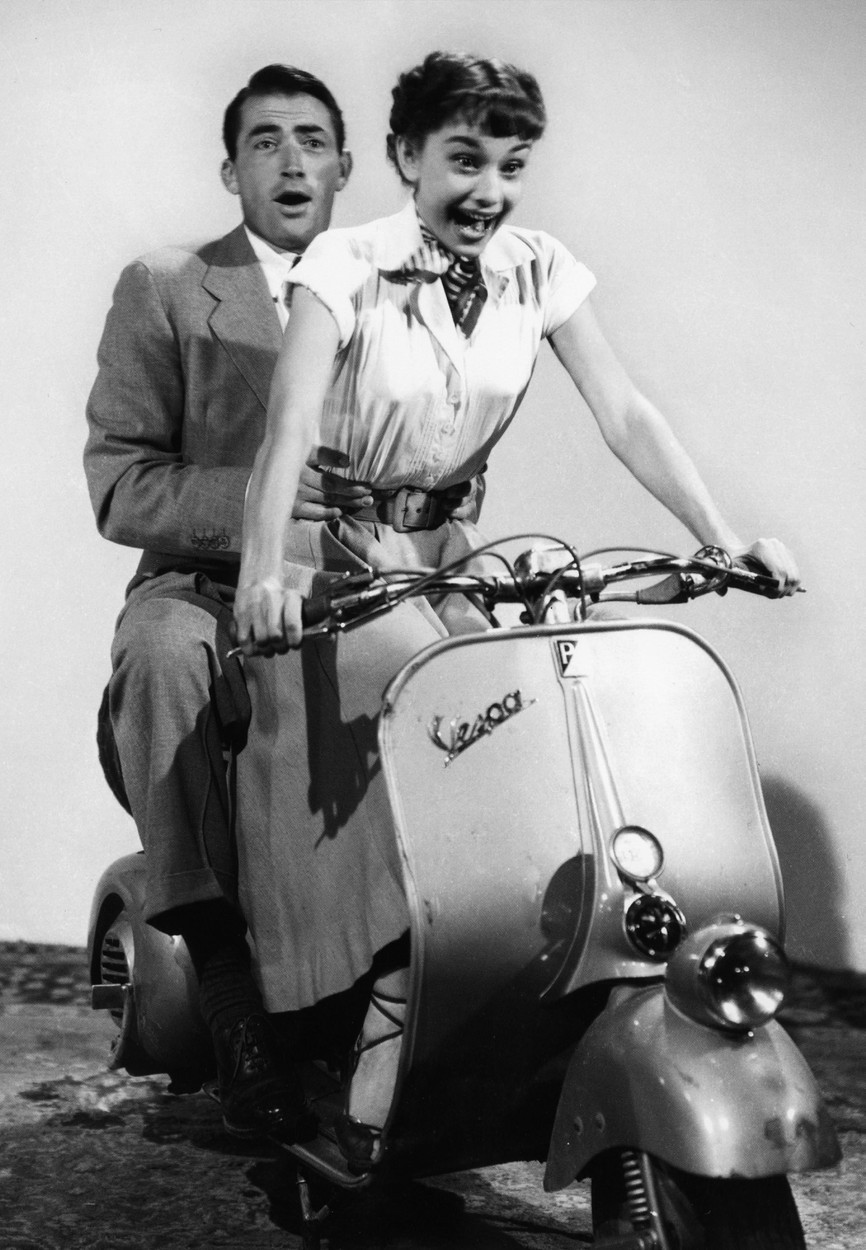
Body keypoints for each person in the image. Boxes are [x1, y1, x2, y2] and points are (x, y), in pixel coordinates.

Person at [232, 51, 800, 1168]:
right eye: (463, 159)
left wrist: (719, 535)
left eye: (510, 164)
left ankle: (537, 1001)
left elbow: (623, 411)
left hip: (451, 552)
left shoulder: (538, 269)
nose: (488, 188)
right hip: (339, 555)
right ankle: (385, 1021)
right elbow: (287, 430)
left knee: (545, 729)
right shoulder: (344, 265)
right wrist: (262, 572)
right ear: (405, 156)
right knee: (437, 744)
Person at [83, 64, 372, 1142]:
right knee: (162, 654)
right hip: (203, 587)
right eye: (265, 141)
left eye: (312, 140)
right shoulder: (167, 285)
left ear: (346, 166)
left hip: (358, 588)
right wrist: (263, 493)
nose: (291, 161)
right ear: (230, 170)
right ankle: (226, 989)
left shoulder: (397, 291)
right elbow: (121, 483)